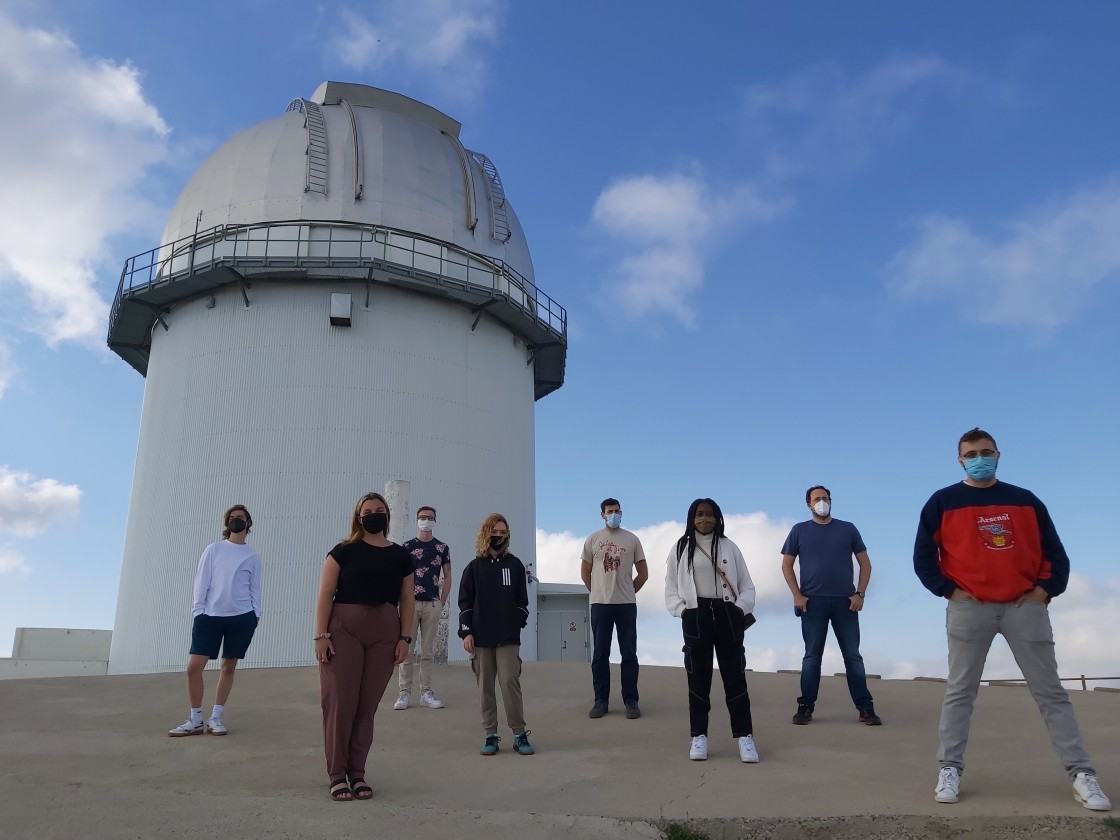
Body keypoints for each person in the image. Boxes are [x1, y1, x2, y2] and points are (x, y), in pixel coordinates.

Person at [914, 428, 1111, 811]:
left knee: (1051, 693)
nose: (979, 458)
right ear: (959, 459)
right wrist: (949, 591)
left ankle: (1082, 774)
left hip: (1025, 608)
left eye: (986, 452)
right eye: (971, 453)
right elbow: (924, 557)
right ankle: (949, 768)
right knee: (960, 692)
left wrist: (1045, 589)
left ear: (999, 455)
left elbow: (1055, 552)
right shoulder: (942, 502)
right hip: (969, 609)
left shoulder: (1026, 501)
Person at [314, 492, 414, 801]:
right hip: (344, 628)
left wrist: (405, 638)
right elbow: (326, 593)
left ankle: (357, 772)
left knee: (366, 707)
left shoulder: (401, 555)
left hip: (385, 630)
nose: (374, 514)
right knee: (340, 703)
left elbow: (407, 599)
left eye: (379, 510)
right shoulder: (343, 551)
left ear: (388, 515)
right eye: (367, 511)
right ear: (359, 517)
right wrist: (321, 635)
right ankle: (336, 774)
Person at [664, 498, 759, 763]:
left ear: (717, 518)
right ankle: (699, 736)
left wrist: (739, 609)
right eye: (699, 514)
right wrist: (682, 611)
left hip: (727, 613)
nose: (704, 519)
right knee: (698, 678)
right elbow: (670, 586)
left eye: (708, 514)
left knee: (735, 677)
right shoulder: (681, 547)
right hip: (696, 614)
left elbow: (747, 585)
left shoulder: (730, 547)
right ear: (691, 518)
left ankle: (745, 737)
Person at [780, 485, 881, 726]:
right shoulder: (799, 531)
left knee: (853, 657)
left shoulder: (848, 529)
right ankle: (805, 707)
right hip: (812, 603)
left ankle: (865, 708)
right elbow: (786, 565)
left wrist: (860, 594)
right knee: (812, 657)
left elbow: (865, 564)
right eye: (817, 499)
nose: (821, 502)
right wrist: (797, 595)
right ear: (809, 504)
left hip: (845, 603)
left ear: (831, 501)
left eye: (825, 498)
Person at [168, 504, 262, 737]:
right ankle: (195, 719)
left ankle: (216, 717)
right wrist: (198, 612)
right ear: (226, 523)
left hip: (241, 617)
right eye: (231, 518)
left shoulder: (252, 556)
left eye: (240, 518)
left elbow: (255, 590)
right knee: (193, 668)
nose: (236, 521)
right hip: (209, 616)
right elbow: (202, 582)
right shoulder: (214, 550)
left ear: (248, 522)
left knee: (228, 667)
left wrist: (255, 615)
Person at [458, 513, 534, 757]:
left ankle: (519, 734)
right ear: (485, 533)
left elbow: (523, 601)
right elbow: (465, 603)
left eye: (503, 533)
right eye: (495, 532)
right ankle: (491, 734)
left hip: (508, 637)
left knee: (510, 682)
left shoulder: (514, 565)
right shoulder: (474, 568)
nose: (498, 537)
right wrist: (466, 633)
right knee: (485, 687)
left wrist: (516, 622)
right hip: (480, 638)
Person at [580, 497, 648, 719]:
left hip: (626, 605)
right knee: (600, 654)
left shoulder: (632, 540)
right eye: (610, 511)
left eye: (617, 511)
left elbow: (643, 573)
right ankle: (601, 701)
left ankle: (631, 701)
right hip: (600, 605)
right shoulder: (593, 540)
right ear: (602, 514)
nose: (614, 514)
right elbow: (585, 571)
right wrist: (597, 591)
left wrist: (629, 591)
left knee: (629, 653)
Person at [394, 505, 451, 711]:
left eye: (430, 517)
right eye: (422, 517)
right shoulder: (406, 547)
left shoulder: (442, 548)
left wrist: (441, 602)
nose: (426, 521)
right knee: (406, 649)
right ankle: (404, 693)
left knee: (427, 652)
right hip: (411, 604)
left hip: (432, 604)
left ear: (435, 520)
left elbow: (448, 576)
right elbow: (399, 576)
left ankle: (426, 692)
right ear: (417, 520)